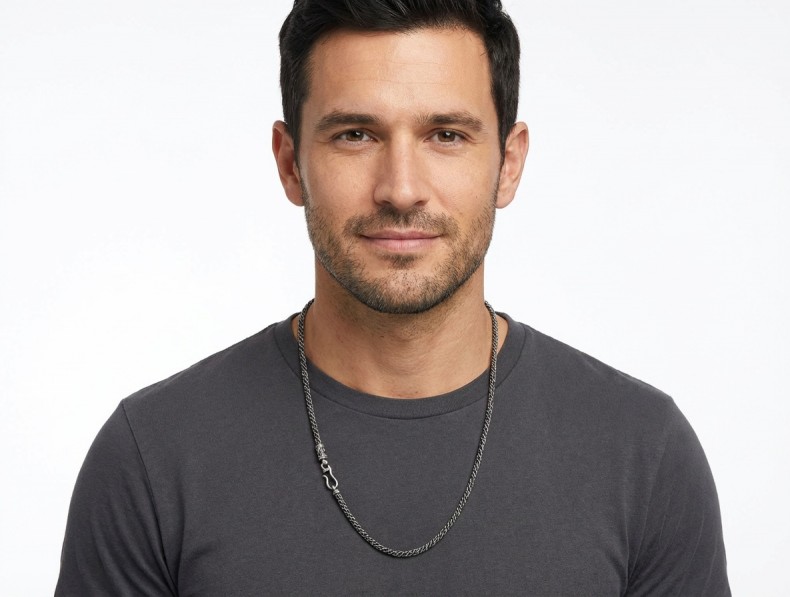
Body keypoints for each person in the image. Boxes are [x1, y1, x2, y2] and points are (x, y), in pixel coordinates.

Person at [56, 0, 730, 594]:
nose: (401, 188)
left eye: (446, 135)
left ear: (509, 162)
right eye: (355, 134)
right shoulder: (153, 458)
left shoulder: (643, 454)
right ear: (290, 163)